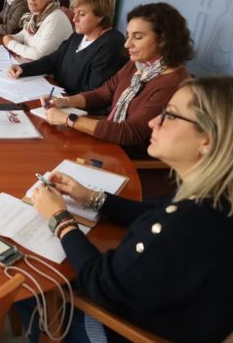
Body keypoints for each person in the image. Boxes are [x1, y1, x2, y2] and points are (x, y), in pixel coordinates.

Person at [28, 76, 233, 343]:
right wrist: (90, 197)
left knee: (33, 292)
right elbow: (153, 211)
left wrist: (60, 219)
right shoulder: (215, 193)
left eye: (170, 115)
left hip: (120, 331)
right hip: (179, 311)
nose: (153, 122)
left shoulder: (183, 224)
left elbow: (99, 282)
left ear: (207, 140)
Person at [42, 2, 193, 155]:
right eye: (128, 36)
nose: (127, 44)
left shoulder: (172, 83)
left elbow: (130, 132)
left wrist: (68, 119)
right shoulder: (139, 64)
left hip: (128, 156)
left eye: (138, 37)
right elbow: (104, 93)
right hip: (109, 141)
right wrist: (64, 101)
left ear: (163, 40)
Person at [8, 0, 127, 95]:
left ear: (100, 16)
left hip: (75, 106)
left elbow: (94, 93)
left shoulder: (112, 45)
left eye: (82, 14)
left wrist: (64, 101)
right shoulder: (79, 35)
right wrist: (23, 69)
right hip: (57, 96)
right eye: (75, 13)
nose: (74, 19)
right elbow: (53, 60)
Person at [2, 0, 72, 61]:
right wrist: (10, 38)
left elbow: (39, 55)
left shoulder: (55, 18)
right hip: (32, 64)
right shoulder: (36, 14)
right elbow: (23, 36)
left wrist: (10, 43)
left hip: (50, 68)